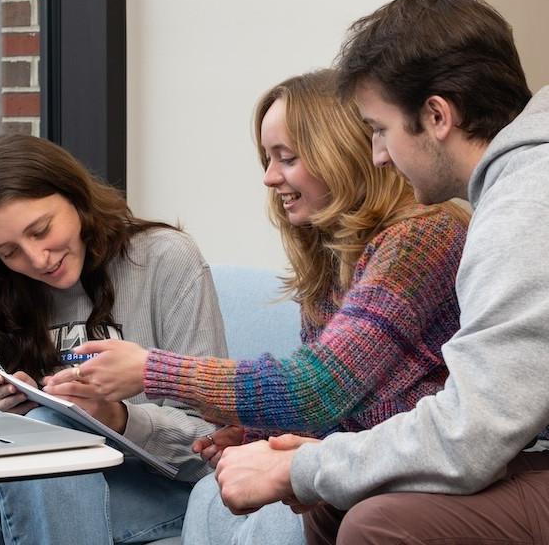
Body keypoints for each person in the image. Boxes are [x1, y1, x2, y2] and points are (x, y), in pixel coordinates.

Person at [46, 69, 470, 544]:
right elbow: (335, 407)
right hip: (355, 460)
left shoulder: (422, 238)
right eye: (267, 159)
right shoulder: (333, 263)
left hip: (418, 473)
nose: (270, 178)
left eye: (286, 158)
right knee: (213, 493)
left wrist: (152, 371)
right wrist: (252, 438)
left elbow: (321, 387)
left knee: (268, 517)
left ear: (344, 153)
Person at [212, 0, 549, 545]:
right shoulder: (516, 190)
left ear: (437, 115)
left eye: (379, 129)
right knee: (335, 504)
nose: (378, 154)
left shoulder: (520, 212)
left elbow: (469, 436)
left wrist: (305, 466)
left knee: (379, 520)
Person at [0, 134, 227, 545]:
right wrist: (11, 415)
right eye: (10, 251)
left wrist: (117, 417)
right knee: (35, 439)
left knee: (45, 434)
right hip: (31, 494)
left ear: (75, 195)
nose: (38, 259)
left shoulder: (165, 260)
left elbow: (213, 443)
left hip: (155, 486)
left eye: (41, 230)